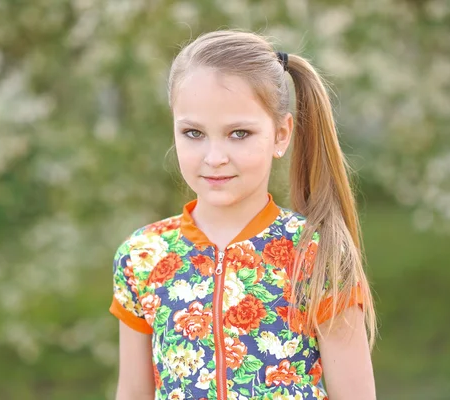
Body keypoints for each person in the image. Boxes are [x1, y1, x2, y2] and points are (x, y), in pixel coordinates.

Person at [109, 29, 377, 400]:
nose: (214, 156)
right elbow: (133, 393)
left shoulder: (318, 254)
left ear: (281, 135)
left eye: (238, 133)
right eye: (193, 133)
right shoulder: (142, 256)